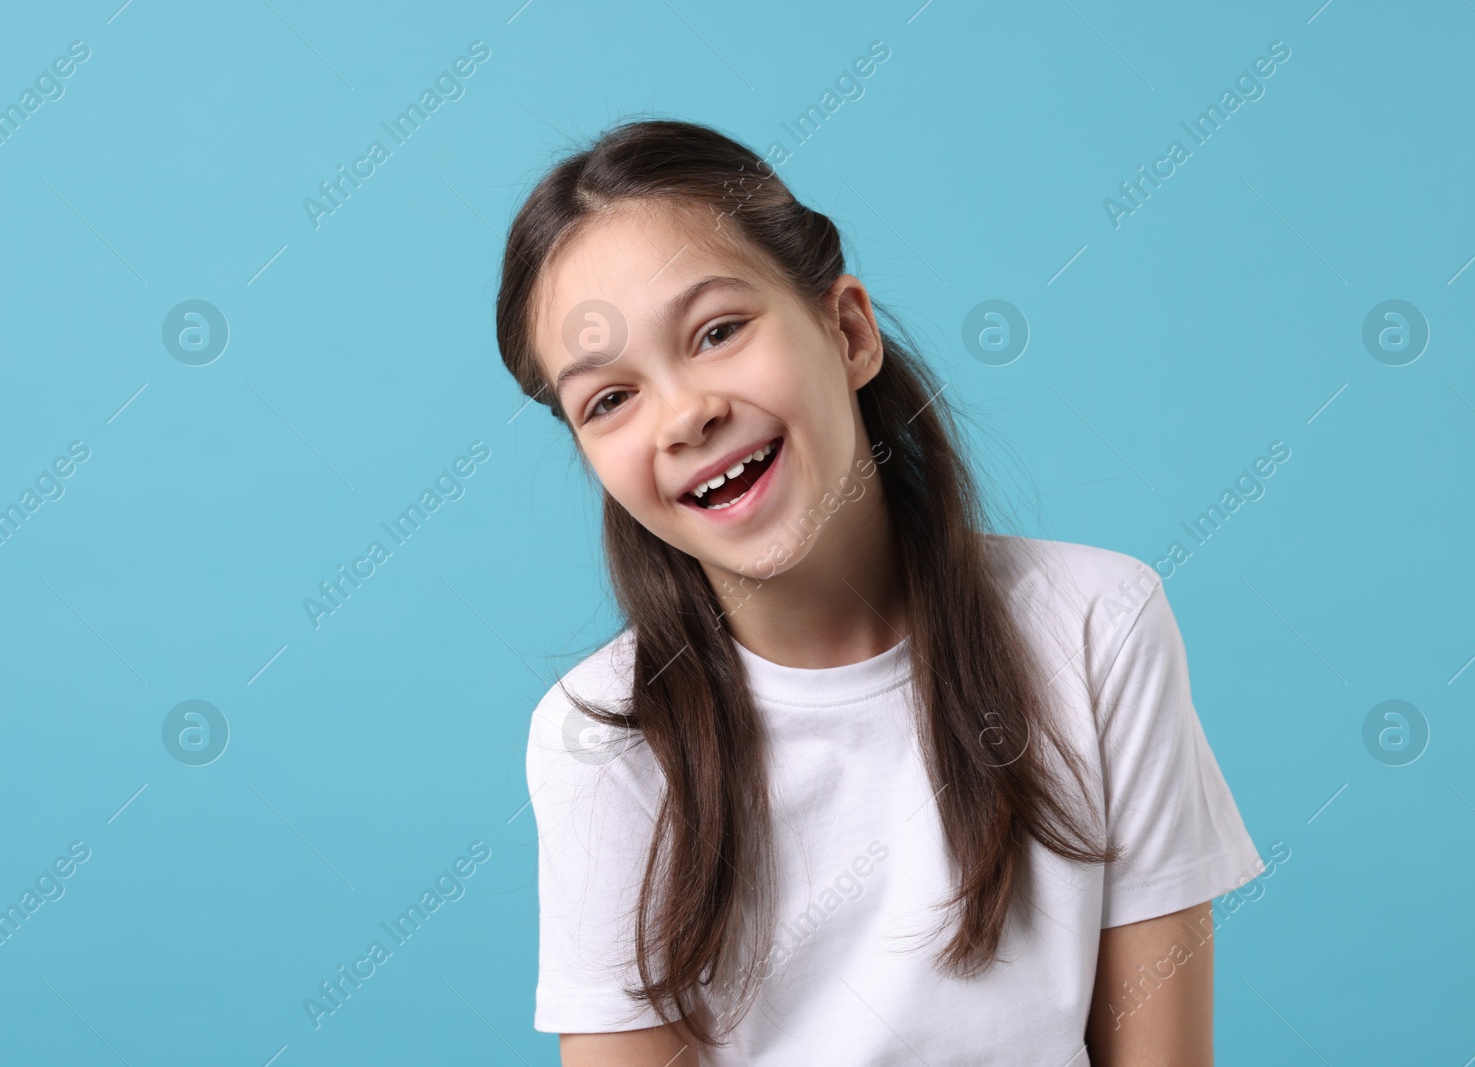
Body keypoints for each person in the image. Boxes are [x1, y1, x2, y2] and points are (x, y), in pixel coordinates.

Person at [495, 118, 1263, 1066]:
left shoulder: (1098, 624)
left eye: (718, 331)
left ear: (848, 331)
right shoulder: (603, 733)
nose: (687, 414)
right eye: (608, 399)